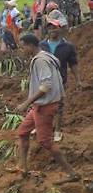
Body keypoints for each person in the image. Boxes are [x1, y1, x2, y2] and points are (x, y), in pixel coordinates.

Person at [12, 34, 79, 184]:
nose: (22, 49)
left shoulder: (40, 61)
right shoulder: (45, 56)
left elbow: (46, 86)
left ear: (30, 45)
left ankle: (71, 173)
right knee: (23, 133)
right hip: (40, 105)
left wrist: (25, 103)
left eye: (23, 46)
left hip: (45, 106)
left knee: (45, 142)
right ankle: (22, 167)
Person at [40, 21, 82, 142]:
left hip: (59, 80)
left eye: (55, 27)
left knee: (58, 106)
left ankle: (57, 131)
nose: (52, 30)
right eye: (50, 28)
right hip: (43, 80)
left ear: (60, 29)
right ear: (47, 30)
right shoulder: (42, 45)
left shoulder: (68, 46)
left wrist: (78, 80)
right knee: (42, 104)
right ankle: (42, 127)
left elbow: (73, 64)